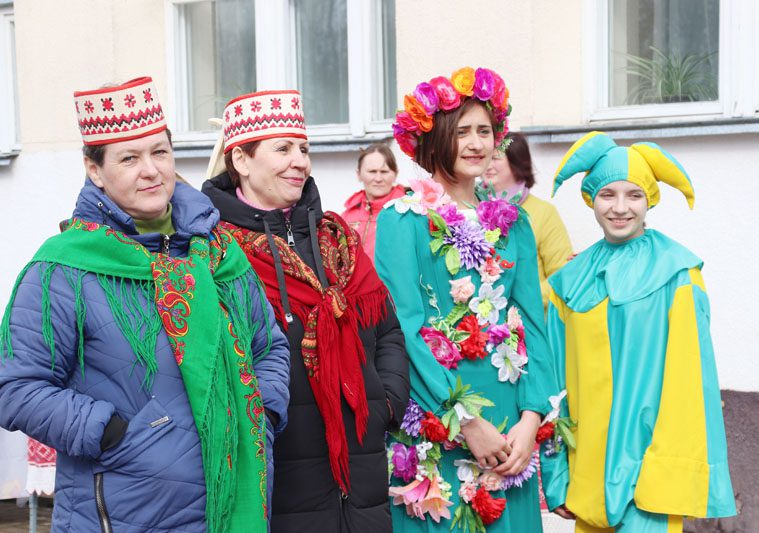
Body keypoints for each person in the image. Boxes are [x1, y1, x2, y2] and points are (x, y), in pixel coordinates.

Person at [0, 77, 291, 532]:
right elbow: (17, 386)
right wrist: (111, 432)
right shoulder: (63, 268)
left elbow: (268, 347)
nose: (152, 170)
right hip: (123, 511)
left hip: (234, 497)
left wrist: (263, 414)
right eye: (129, 158)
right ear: (95, 170)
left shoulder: (220, 253)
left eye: (160, 152)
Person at [201, 89, 410, 533]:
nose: (300, 161)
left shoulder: (337, 238)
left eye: (304, 149)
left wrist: (386, 401)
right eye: (283, 149)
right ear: (241, 159)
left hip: (362, 473)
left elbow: (387, 328)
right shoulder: (215, 252)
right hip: (280, 472)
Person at [376, 66, 558, 532]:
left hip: (509, 421)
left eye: (485, 130)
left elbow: (531, 324)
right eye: (462, 132)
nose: (477, 143)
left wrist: (531, 419)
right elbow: (404, 327)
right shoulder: (403, 218)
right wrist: (465, 422)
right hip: (440, 414)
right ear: (434, 138)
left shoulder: (513, 222)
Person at [541, 131, 736, 532]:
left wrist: (667, 474)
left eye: (634, 195)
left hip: (648, 479)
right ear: (590, 199)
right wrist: (557, 475)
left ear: (650, 201)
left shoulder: (678, 275)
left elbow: (689, 384)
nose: (620, 208)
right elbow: (554, 386)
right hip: (588, 477)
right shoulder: (568, 283)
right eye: (607, 194)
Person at [482, 133, 574, 310]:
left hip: (529, 318)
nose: (488, 164)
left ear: (516, 162)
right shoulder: (473, 208)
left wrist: (518, 301)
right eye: (485, 157)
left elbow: (563, 276)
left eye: (495, 158)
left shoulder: (544, 213)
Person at [341, 143, 407, 260]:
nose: (378, 179)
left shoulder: (408, 211)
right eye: (372, 171)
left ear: (395, 174)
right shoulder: (347, 216)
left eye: (384, 172)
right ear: (358, 174)